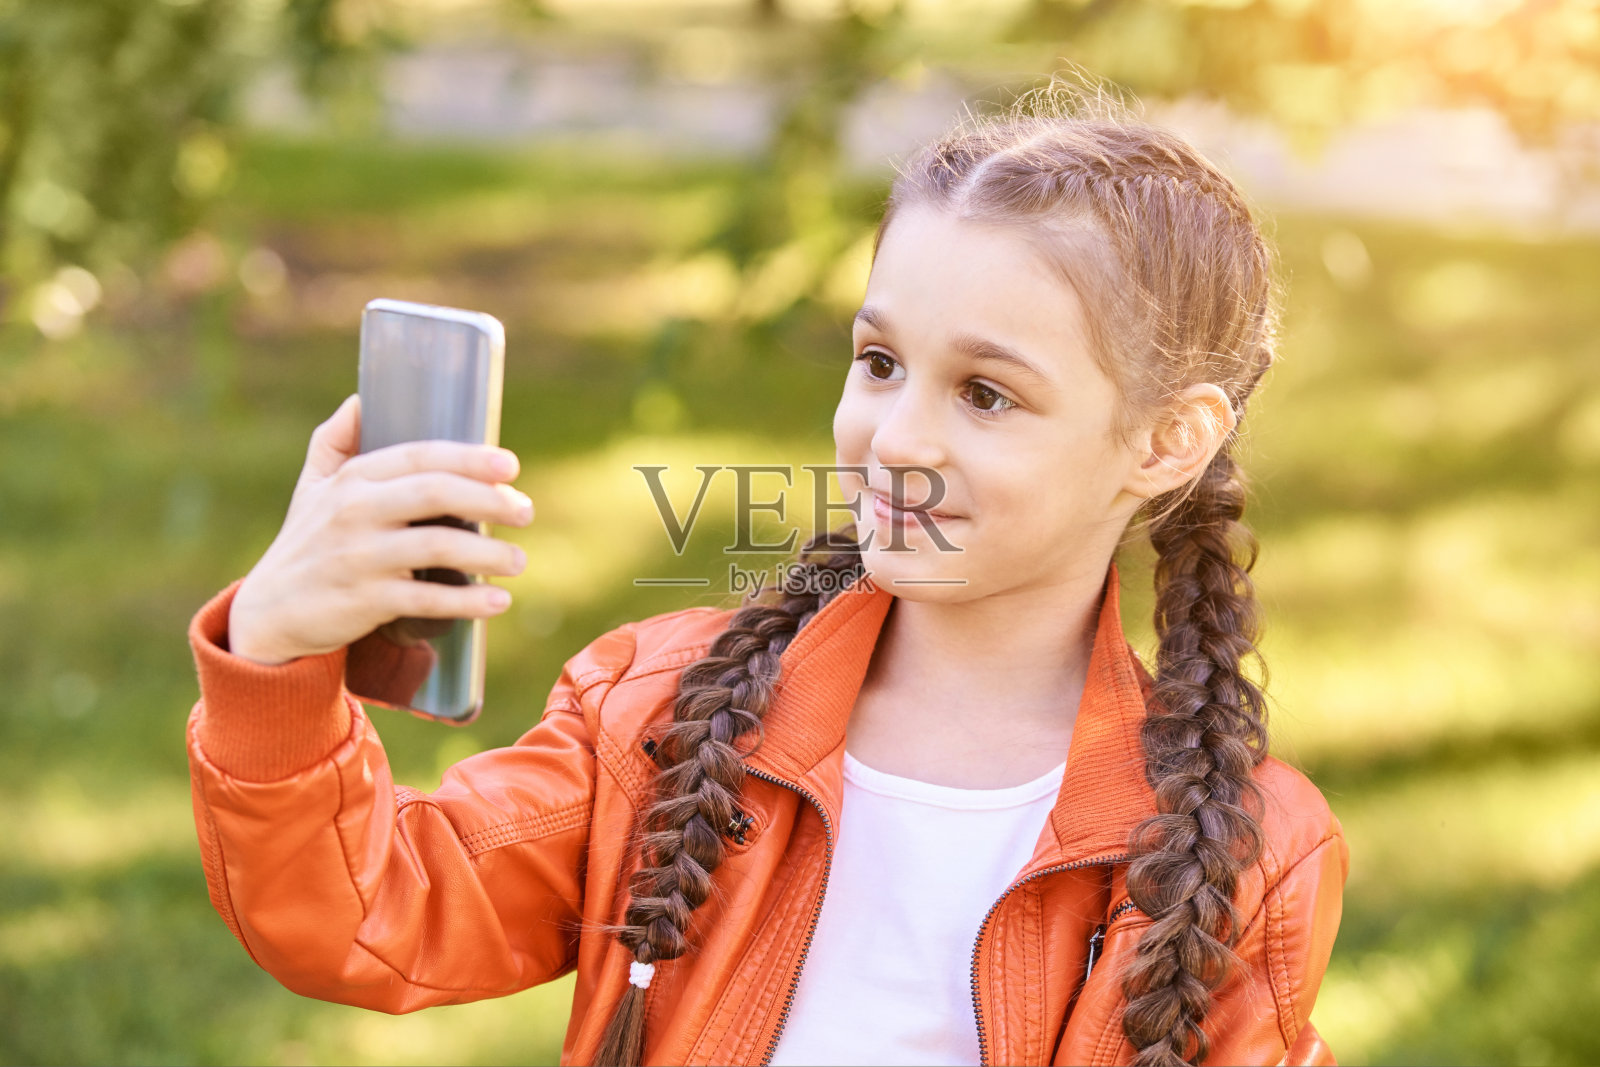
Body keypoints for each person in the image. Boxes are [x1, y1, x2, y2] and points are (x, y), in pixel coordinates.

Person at [185, 81, 1347, 1067]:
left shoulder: (1242, 849)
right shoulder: (660, 712)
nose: (895, 436)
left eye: (984, 393)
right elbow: (369, 913)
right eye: (880, 360)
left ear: (1164, 442)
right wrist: (277, 656)